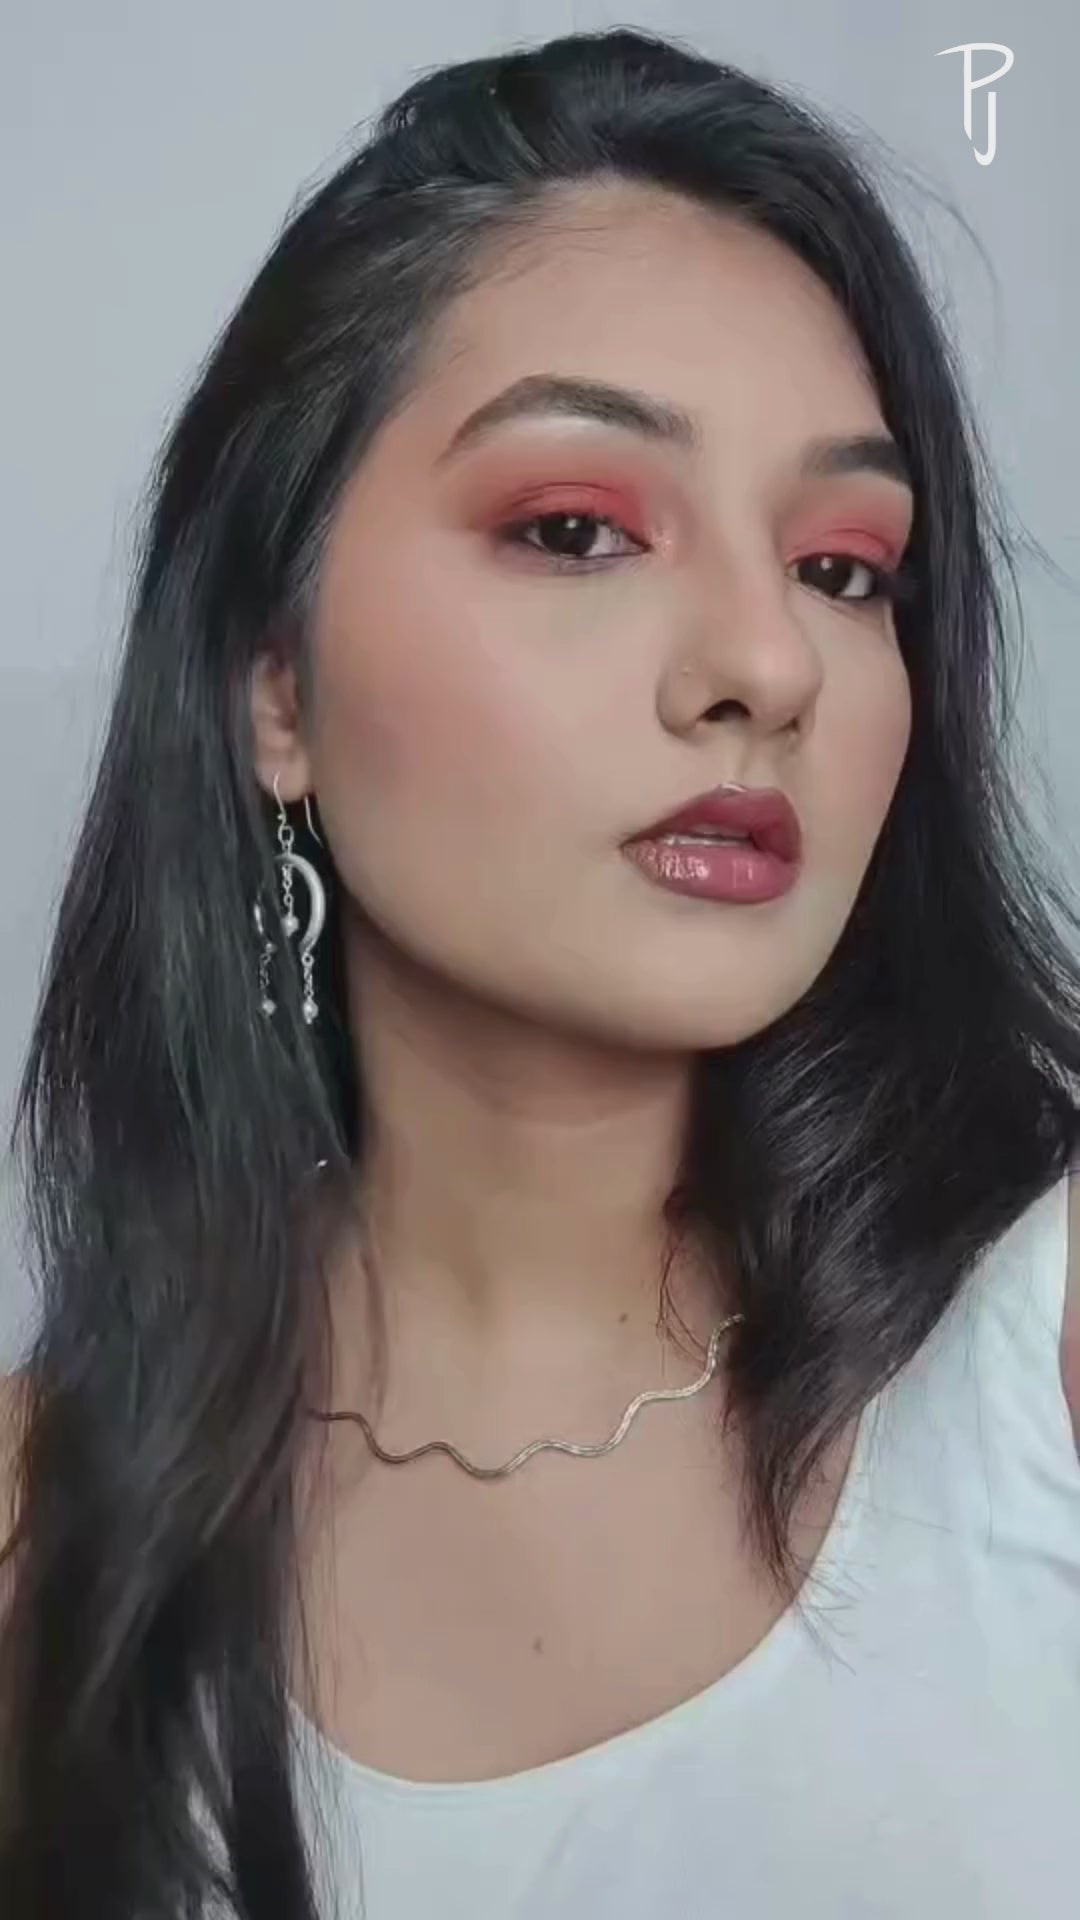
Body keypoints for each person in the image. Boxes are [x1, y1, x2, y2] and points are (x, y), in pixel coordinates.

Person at [2, 24, 1079, 1919]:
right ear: (273, 689)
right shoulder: (48, 1519)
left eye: (844, 567)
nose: (769, 663)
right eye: (577, 531)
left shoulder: (1041, 1357)